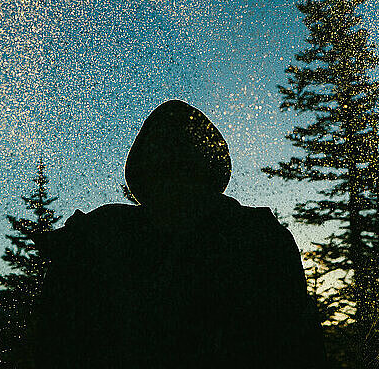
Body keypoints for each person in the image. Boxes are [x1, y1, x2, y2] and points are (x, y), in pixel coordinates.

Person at [32, 99, 327, 368]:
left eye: (177, 168)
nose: (174, 188)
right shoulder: (256, 233)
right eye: (165, 170)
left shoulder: (100, 234)